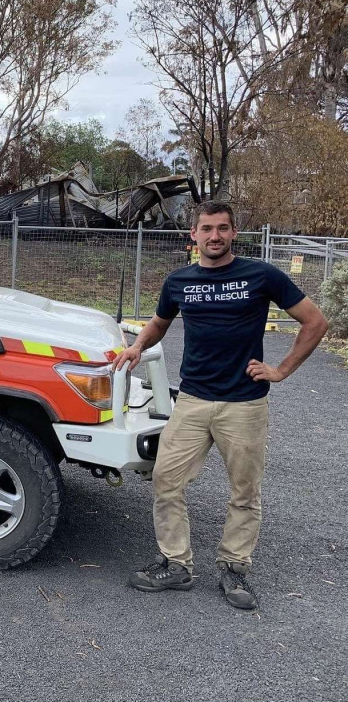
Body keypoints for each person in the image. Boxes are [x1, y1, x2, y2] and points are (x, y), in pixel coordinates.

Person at [115, 201, 328, 610]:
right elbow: (160, 321)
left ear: (234, 233)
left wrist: (281, 370)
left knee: (244, 492)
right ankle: (176, 564)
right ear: (193, 235)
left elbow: (315, 321)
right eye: (207, 229)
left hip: (244, 405)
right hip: (193, 400)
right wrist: (138, 346)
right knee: (166, 481)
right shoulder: (179, 281)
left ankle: (234, 566)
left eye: (223, 228)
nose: (215, 236)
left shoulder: (261, 275)